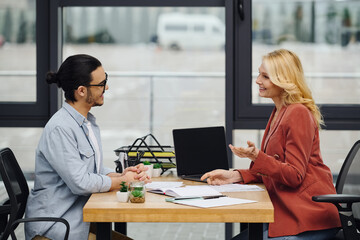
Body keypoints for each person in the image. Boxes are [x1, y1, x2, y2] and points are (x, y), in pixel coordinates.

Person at [201, 49, 341, 240]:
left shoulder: (297, 113)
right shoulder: (279, 111)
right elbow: (275, 167)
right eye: (259, 74)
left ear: (283, 80)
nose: (258, 80)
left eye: (265, 76)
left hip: (307, 217)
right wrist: (234, 176)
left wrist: (258, 157)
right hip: (287, 211)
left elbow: (294, 175)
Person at [25, 54, 150, 240]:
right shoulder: (61, 128)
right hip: (57, 227)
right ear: (81, 91)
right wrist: (124, 182)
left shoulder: (85, 123)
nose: (106, 87)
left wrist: (122, 175)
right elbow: (81, 183)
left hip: (76, 221)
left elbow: (92, 170)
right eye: (101, 84)